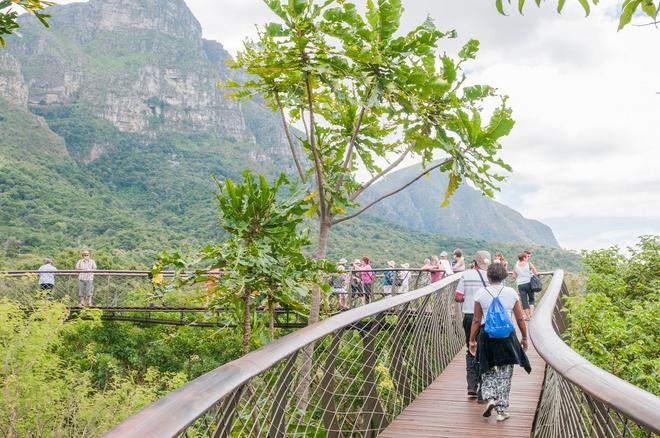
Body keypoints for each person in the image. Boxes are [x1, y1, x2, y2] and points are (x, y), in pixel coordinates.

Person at [469, 262, 531, 422]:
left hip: (486, 337)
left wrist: (472, 340)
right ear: (504, 275)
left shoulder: (481, 293)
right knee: (505, 374)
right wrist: (524, 337)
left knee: (487, 369)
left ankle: (489, 398)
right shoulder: (511, 293)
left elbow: (476, 320)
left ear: (488, 276)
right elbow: (519, 318)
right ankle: (501, 411)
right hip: (507, 338)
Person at [455, 250, 490, 401]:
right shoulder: (491, 276)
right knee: (486, 352)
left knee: (471, 349)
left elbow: (459, 296)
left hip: (469, 316)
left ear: (474, 262)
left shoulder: (466, 275)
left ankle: (471, 387)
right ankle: (483, 390)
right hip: (486, 319)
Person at [512, 252, 539, 320]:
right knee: (531, 299)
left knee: (524, 301)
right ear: (524, 258)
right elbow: (536, 273)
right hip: (529, 284)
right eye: (527, 257)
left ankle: (527, 316)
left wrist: (520, 277)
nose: (528, 258)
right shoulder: (529, 264)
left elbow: (514, 276)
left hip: (520, 285)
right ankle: (531, 314)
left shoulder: (516, 265)